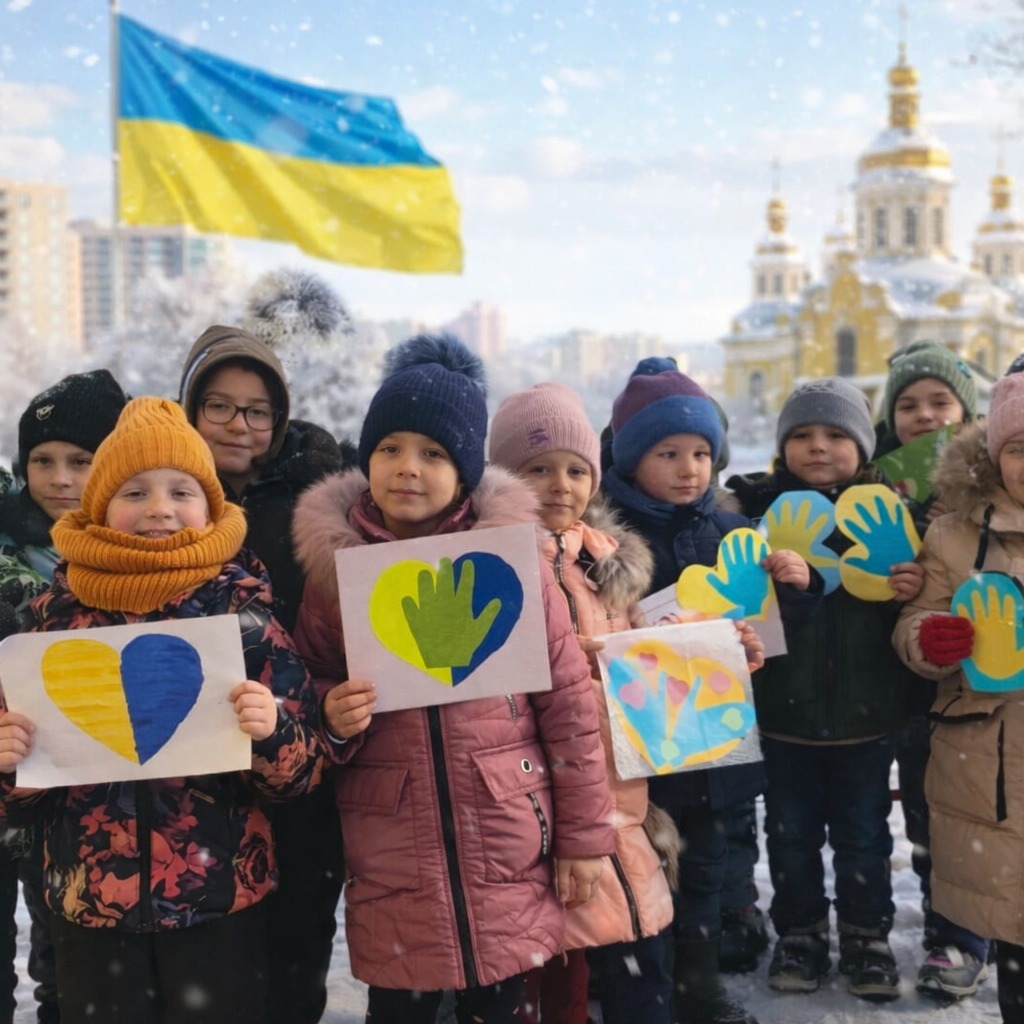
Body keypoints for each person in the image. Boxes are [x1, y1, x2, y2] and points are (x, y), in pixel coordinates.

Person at [291, 335, 616, 1024]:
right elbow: (305, 680)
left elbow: (569, 712)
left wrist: (586, 839)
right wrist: (327, 708)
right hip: (392, 844)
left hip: (507, 834)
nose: (408, 468)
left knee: (498, 1005)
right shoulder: (336, 576)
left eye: (434, 453)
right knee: (399, 1009)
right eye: (389, 449)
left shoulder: (515, 567)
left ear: (467, 470)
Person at [0, 397, 324, 1024]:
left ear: (209, 506)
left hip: (220, 904)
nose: (158, 509)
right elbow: (20, 797)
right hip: (90, 909)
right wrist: (8, 763)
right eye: (134, 491)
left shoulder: (243, 615)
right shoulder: (50, 621)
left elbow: (304, 772)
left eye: (180, 490)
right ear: (99, 507)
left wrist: (273, 733)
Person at [601, 368, 814, 1024]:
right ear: (631, 459)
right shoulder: (612, 545)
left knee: (707, 873)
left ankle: (699, 986)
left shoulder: (729, 534)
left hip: (719, 747)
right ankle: (650, 989)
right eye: (667, 454)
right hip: (649, 748)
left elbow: (770, 645)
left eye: (700, 453)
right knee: (648, 875)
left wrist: (794, 587)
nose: (689, 468)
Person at [726, 377, 925, 1002]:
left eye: (836, 435)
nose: (817, 448)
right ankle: (801, 933)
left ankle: (868, 936)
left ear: (863, 446)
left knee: (865, 834)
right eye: (802, 436)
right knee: (789, 835)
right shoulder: (760, 520)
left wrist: (913, 586)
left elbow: (910, 613)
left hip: (867, 717)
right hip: (785, 716)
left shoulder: (890, 517)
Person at [488, 382, 677, 1024]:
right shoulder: (496, 567)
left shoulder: (606, 567)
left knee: (623, 957)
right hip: (540, 801)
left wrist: (708, 655)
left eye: (575, 469)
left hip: (621, 801)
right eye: (536, 469)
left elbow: (645, 662)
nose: (559, 485)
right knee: (549, 966)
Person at [179, 325, 349, 1024]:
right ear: (190, 411)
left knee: (300, 935)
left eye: (257, 410)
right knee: (214, 950)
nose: (238, 425)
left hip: (304, 744)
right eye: (219, 405)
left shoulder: (321, 498)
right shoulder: (162, 496)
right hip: (195, 755)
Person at [892, 371, 1024, 1022]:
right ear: (994, 454)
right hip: (987, 772)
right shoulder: (954, 534)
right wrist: (928, 640)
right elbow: (914, 622)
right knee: (1013, 934)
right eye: (1019, 447)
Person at [0, 369, 127, 1024]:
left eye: (80, 461)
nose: (57, 478)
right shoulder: (5, 551)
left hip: (78, 808)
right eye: (41, 460)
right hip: (8, 787)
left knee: (66, 974)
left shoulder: (132, 553)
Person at [875, 341, 989, 999]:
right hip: (909, 674)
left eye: (939, 401)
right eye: (909, 404)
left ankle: (982, 930)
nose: (924, 416)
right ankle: (952, 931)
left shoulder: (990, 488)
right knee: (931, 816)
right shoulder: (879, 485)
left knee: (990, 813)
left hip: (981, 683)